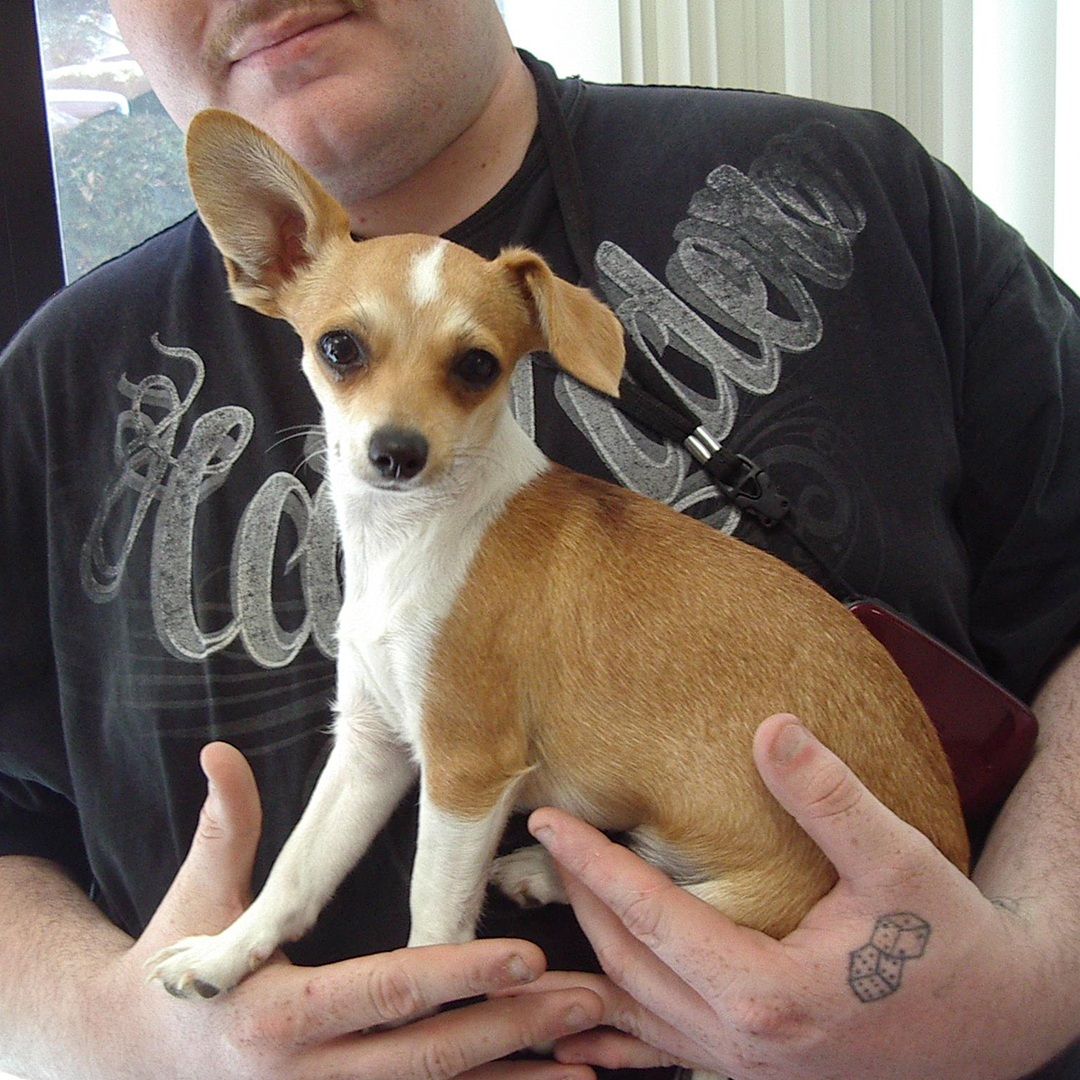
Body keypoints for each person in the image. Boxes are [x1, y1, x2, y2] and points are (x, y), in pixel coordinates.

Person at [1, 1, 1078, 1077]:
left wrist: (1027, 983)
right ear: (271, 256)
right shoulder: (50, 382)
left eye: (467, 368)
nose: (396, 423)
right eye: (345, 353)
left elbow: (466, 770)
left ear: (524, 345)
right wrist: (101, 1037)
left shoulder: (855, 185)